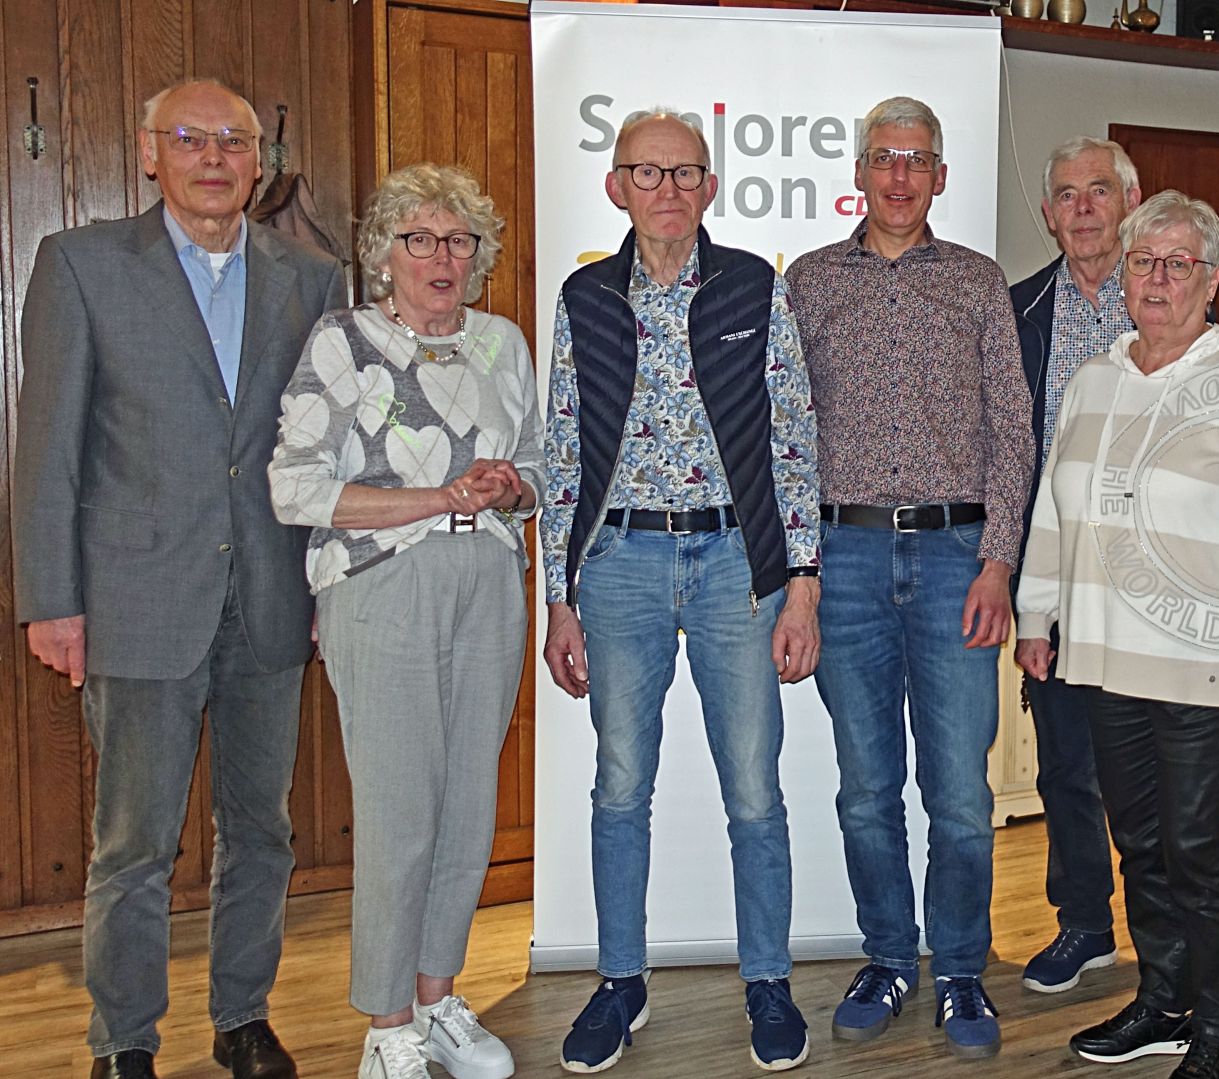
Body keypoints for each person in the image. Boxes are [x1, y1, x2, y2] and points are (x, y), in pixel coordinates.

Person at [11, 78, 344, 1079]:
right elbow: (48, 449)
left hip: (272, 601)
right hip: (137, 602)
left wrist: (327, 584)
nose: (213, 157)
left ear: (260, 161)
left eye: (233, 140)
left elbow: (325, 448)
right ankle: (125, 1038)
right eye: (190, 138)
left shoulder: (312, 278)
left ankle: (244, 1017)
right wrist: (50, 600)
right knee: (134, 843)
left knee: (262, 831)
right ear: (149, 152)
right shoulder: (81, 264)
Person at [539, 109, 821, 1075]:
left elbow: (793, 438)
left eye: (686, 172)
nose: (668, 190)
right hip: (619, 564)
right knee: (621, 784)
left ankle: (769, 980)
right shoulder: (584, 297)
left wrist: (801, 584)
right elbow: (563, 449)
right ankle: (621, 981)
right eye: (648, 173)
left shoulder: (752, 286)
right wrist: (559, 596)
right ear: (617, 186)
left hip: (736, 565)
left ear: (710, 186)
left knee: (755, 790)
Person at [1017, 190, 1219, 1079]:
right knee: (1140, 844)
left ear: (1212, 279)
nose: (1157, 278)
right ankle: (1165, 999)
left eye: (1179, 264)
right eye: (1143, 261)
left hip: (1204, 667)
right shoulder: (1094, 379)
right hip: (1105, 660)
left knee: (1195, 849)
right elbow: (1055, 510)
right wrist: (1036, 615)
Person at [268, 162, 538, 1079]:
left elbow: (540, 467)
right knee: (398, 809)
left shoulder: (502, 343)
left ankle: (437, 996)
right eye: (420, 239)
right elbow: (295, 486)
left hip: (488, 580)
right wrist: (437, 496)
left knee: (468, 804)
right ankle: (386, 1025)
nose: (442, 257)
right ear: (385, 254)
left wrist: (509, 485)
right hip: (381, 581)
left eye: (460, 240)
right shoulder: (344, 341)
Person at [784, 95, 1033, 1060]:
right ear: (859, 172)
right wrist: (802, 573)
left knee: (961, 794)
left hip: (954, 561)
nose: (899, 175)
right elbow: (785, 434)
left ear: (940, 175)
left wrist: (998, 560)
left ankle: (961, 967)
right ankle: (889, 955)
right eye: (884, 157)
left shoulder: (977, 281)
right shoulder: (808, 282)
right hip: (843, 560)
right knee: (864, 789)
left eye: (916, 158)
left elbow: (1013, 428)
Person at [1006, 135, 1142, 994]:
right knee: (1065, 765)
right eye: (1067, 194)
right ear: (1047, 213)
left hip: (1154, 581)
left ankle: (1169, 932)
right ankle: (1085, 922)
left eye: (1099, 190)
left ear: (1131, 202)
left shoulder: (1171, 300)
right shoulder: (1015, 309)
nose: (1084, 208)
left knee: (1155, 769)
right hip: (1053, 574)